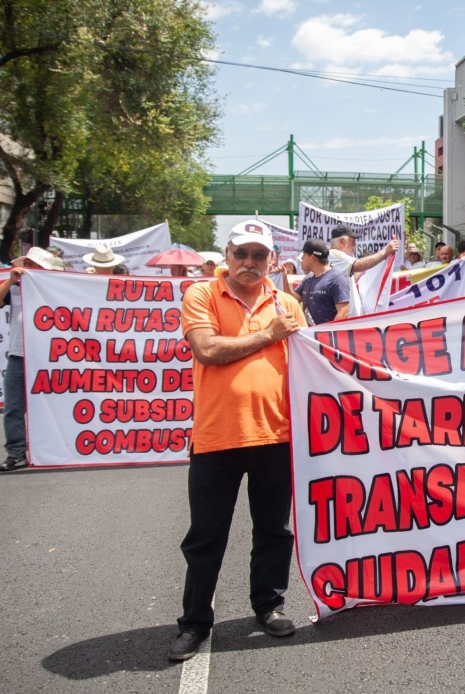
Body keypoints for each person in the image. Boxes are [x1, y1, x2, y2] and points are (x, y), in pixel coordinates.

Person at [168, 219, 307, 662]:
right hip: (218, 437)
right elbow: (207, 350)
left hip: (277, 435)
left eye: (259, 255)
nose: (249, 263)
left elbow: (310, 364)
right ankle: (194, 623)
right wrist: (269, 334)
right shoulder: (202, 295)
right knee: (206, 536)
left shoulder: (287, 302)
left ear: (271, 260)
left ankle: (268, 606)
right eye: (241, 254)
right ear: (226, 256)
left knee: (274, 531)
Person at [0, 247, 58, 470]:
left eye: (33, 264)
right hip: (19, 357)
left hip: (50, 359)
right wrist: (9, 281)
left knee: (53, 407)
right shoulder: (15, 288)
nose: (28, 268)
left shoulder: (57, 287)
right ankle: (16, 453)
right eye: (26, 264)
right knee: (13, 408)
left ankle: (55, 449)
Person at [286, 238, 350, 325]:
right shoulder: (308, 279)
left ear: (312, 258)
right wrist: (283, 279)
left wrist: (326, 335)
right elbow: (292, 300)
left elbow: (343, 313)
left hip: (326, 337)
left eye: (304, 255)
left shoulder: (337, 279)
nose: (301, 258)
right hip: (310, 336)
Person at [328, 224, 398, 277]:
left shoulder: (333, 257)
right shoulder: (333, 254)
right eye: (353, 241)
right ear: (342, 241)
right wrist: (385, 252)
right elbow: (361, 265)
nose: (355, 244)